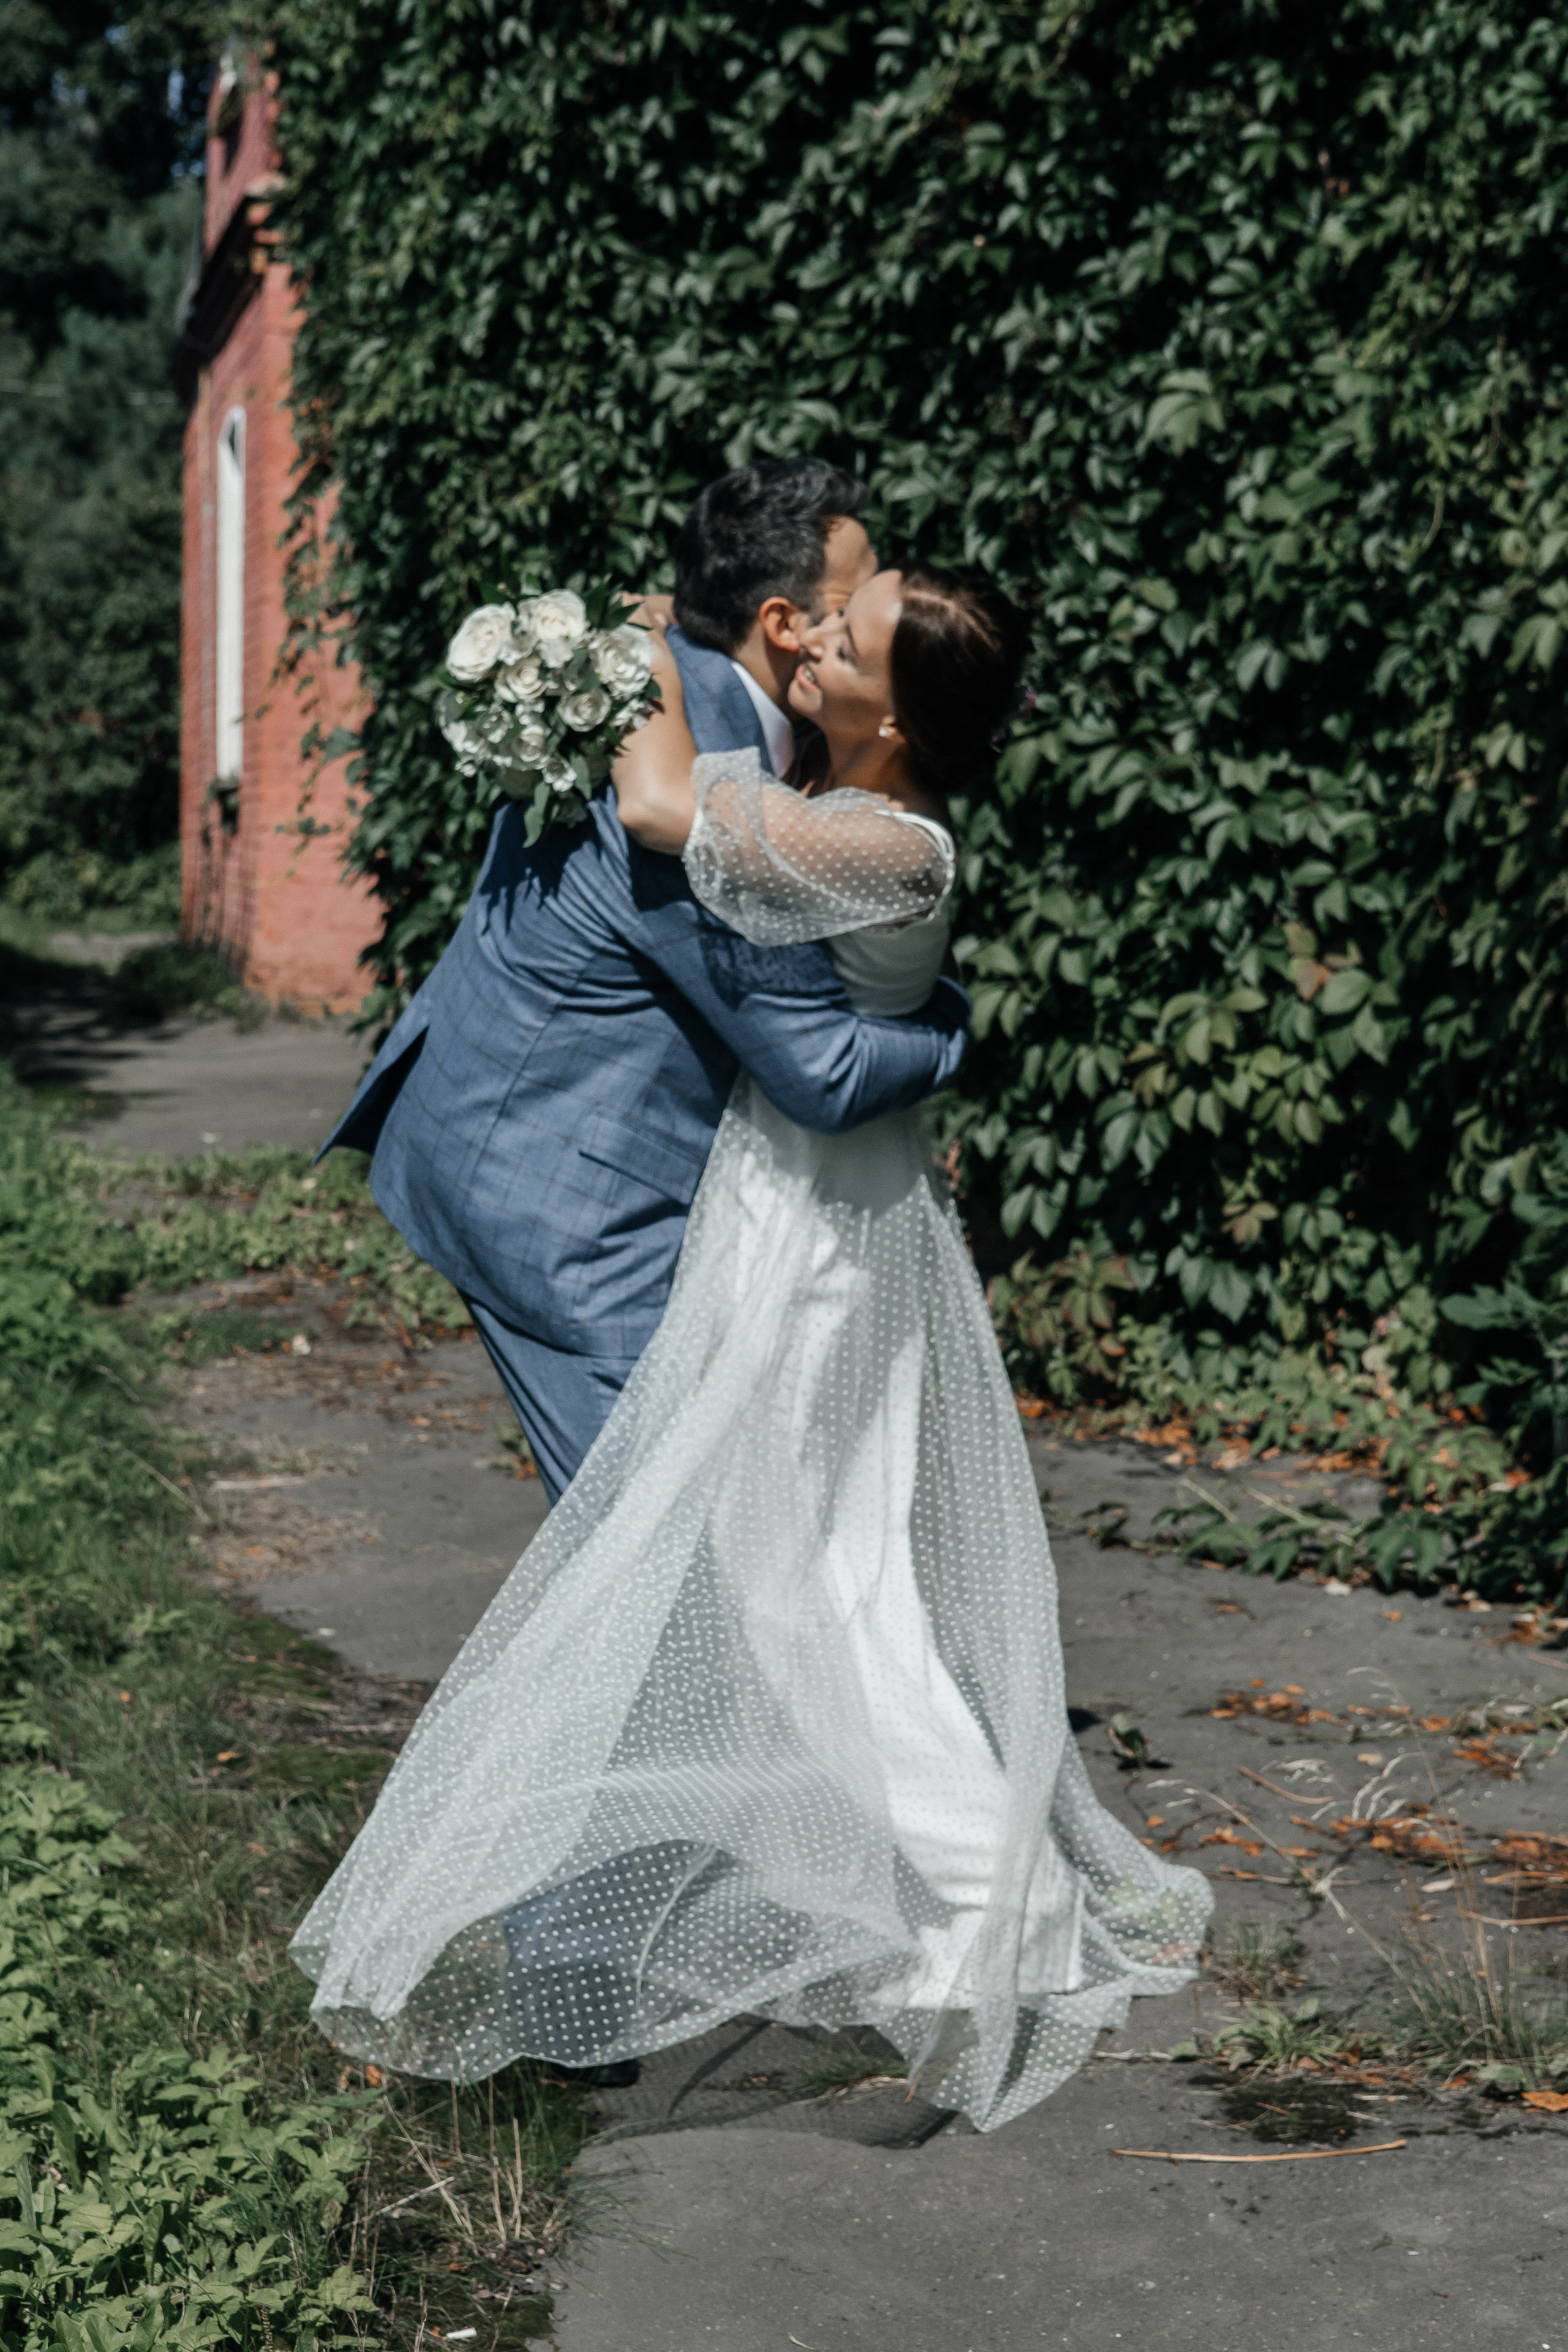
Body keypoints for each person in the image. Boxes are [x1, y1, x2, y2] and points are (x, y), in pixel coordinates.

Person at [293, 565, 1212, 2135]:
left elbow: (657, 807)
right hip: (780, 1218)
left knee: (814, 1595)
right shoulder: (827, 796)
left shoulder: (885, 840)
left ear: (901, 713)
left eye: (847, 640)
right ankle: (1013, 1918)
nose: (813, 636)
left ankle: (990, 1929)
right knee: (815, 1582)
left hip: (819, 1245)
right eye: (822, 614)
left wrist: (625, 645)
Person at [316, 459, 963, 1501]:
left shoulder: (665, 691)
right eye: (848, 609)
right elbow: (826, 1073)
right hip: (561, 1201)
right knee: (660, 1561)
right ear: (785, 621)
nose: (857, 628)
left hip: (519, 1114)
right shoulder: (705, 771)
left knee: (730, 1536)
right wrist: (951, 1029)